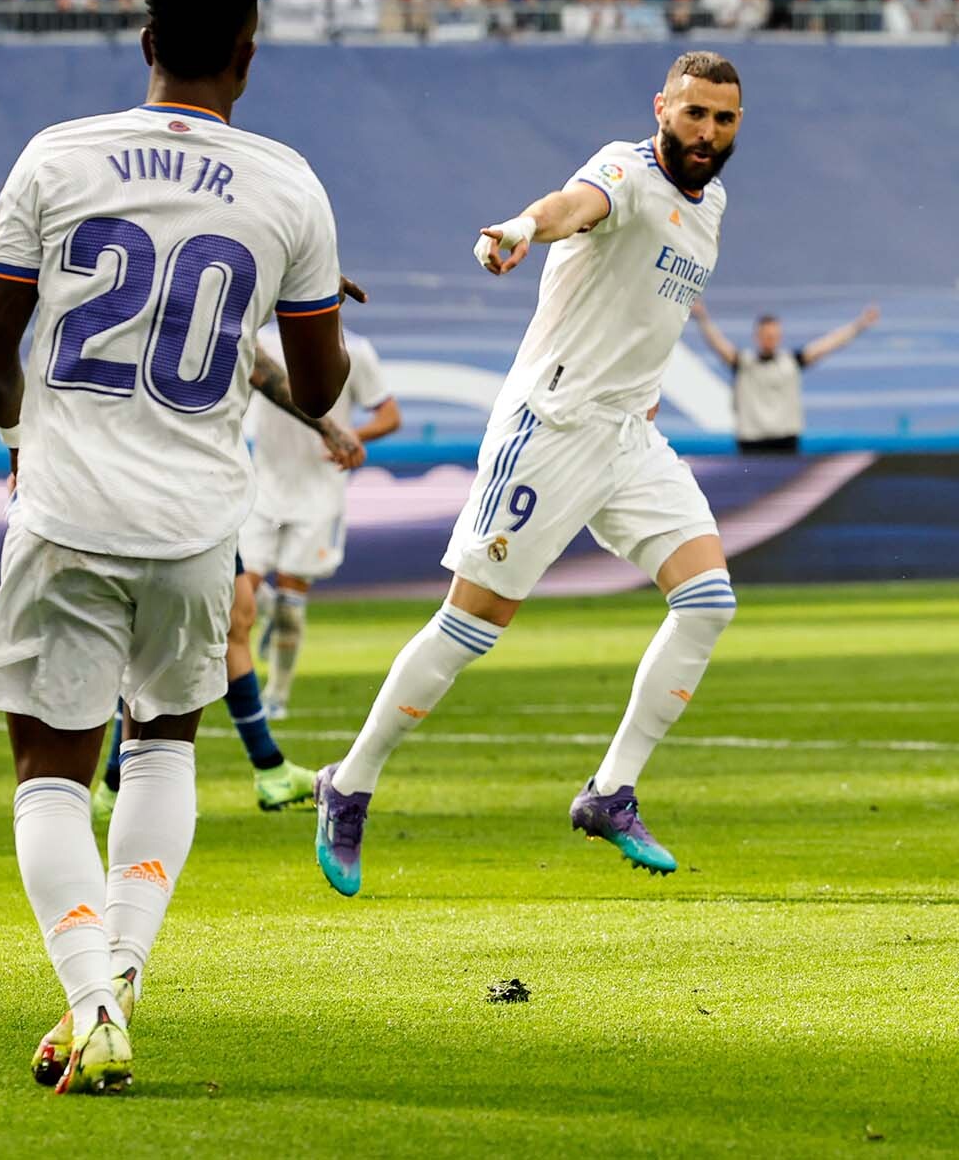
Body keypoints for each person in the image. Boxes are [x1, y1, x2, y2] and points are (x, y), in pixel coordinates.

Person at [0, 0, 355, 1094]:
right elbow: (320, 391)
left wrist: (24, 450)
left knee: (50, 774)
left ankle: (93, 1000)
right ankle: (119, 982)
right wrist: (309, 304)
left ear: (145, 41)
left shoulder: (54, 158)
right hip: (196, 528)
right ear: (248, 52)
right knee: (163, 748)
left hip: (66, 512)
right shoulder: (288, 186)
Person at [314, 50, 744, 897]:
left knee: (708, 602)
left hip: (628, 434)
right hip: (551, 427)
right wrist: (520, 225)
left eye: (723, 118)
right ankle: (350, 783)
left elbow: (643, 309)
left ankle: (610, 792)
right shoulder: (625, 170)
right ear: (661, 107)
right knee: (472, 624)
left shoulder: (713, 203)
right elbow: (570, 206)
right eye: (693, 112)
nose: (706, 132)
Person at [91, 341, 366, 819]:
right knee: (147, 631)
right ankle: (116, 783)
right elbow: (255, 364)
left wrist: (326, 428)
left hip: (204, 487)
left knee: (239, 612)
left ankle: (269, 769)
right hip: (163, 484)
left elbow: (257, 365)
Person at [241, 326, 401, 720]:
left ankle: (276, 696)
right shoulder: (260, 340)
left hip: (319, 491)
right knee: (240, 591)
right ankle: (266, 612)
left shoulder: (355, 349)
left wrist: (348, 435)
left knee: (292, 601)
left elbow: (389, 416)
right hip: (262, 486)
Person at [692, 301, 880, 452]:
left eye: (774, 335)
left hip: (785, 440)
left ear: (779, 337)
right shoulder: (743, 363)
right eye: (766, 335)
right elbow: (718, 344)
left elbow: (828, 344)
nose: (770, 340)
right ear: (757, 336)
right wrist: (702, 318)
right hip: (751, 441)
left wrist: (859, 325)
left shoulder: (792, 361)